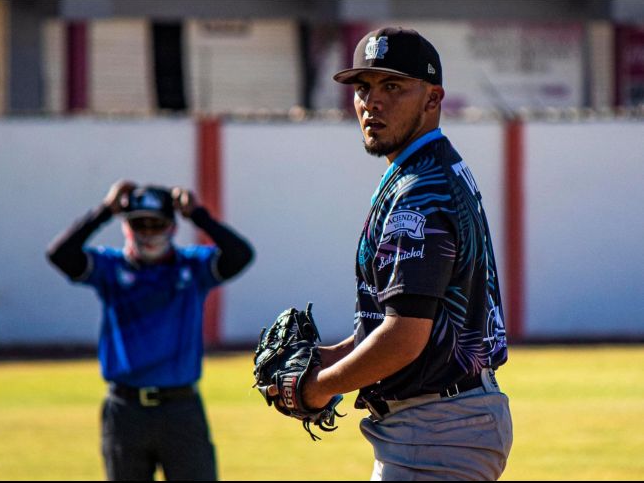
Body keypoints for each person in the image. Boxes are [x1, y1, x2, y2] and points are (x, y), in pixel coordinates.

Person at [273, 27, 513, 480]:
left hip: (438, 431)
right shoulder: (424, 170)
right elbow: (395, 326)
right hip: (440, 424)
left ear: (432, 98)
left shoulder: (421, 192)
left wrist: (317, 390)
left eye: (392, 86)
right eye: (363, 87)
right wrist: (322, 359)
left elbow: (405, 338)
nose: (371, 102)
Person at [46, 180, 254, 481]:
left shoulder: (192, 266)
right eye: (139, 224)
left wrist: (197, 214)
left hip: (181, 407)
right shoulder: (111, 268)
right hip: (125, 409)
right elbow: (60, 255)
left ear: (171, 227)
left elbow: (240, 255)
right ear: (126, 227)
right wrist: (105, 210)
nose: (147, 233)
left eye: (155, 224)